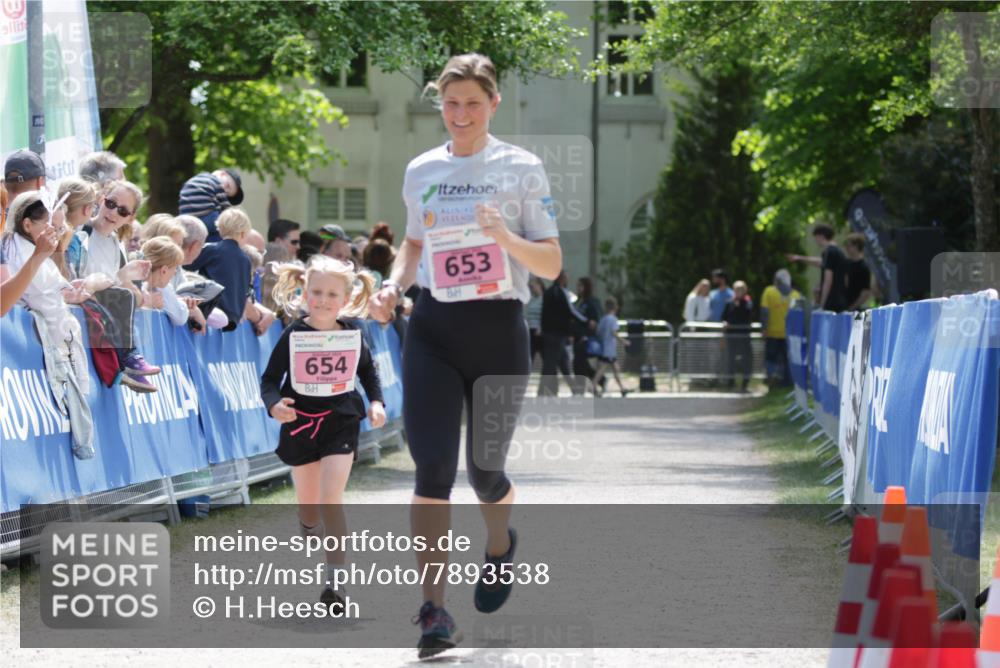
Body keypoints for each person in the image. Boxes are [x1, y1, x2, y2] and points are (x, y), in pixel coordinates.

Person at [366, 53, 562, 658]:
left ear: (493, 103)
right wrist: (393, 286)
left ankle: (500, 545)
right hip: (433, 328)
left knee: (484, 473)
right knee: (431, 470)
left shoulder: (521, 168)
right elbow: (413, 244)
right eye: (451, 103)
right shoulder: (422, 168)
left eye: (473, 103)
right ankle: (434, 611)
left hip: (499, 331)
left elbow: (552, 264)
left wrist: (505, 236)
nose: (461, 114)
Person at [260, 255, 386, 613]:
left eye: (332, 294)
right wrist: (274, 405)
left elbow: (369, 373)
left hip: (340, 420)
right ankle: (308, 522)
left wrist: (377, 403)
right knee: (311, 509)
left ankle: (335, 582)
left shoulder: (352, 333)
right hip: (300, 423)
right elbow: (269, 380)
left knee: (331, 499)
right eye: (316, 292)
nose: (323, 300)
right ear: (304, 293)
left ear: (345, 299)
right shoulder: (294, 334)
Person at [69, 180, 162, 393]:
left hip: (102, 313)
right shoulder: (81, 231)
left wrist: (126, 275)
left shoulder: (116, 244)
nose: (113, 213)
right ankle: (128, 358)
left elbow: (112, 283)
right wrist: (121, 277)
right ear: (101, 200)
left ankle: (128, 365)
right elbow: (76, 276)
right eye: (110, 204)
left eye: (122, 211)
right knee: (123, 297)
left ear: (130, 217)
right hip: (83, 305)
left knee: (124, 296)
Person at [787, 223, 849, 312]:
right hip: (840, 299)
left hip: (832, 301)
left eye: (816, 237)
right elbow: (820, 262)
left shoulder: (829, 252)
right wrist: (799, 258)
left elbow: (828, 280)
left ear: (821, 236)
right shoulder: (838, 252)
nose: (816, 241)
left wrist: (822, 304)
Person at [539, 271, 582, 396]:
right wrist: (585, 321)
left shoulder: (549, 292)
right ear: (562, 278)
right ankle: (542, 391)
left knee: (563, 363)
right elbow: (570, 311)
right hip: (557, 334)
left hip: (551, 333)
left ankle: (575, 389)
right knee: (550, 364)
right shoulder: (560, 292)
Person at [177, 168, 244, 242]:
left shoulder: (192, 180)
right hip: (206, 217)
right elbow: (225, 210)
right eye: (228, 186)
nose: (225, 191)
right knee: (223, 229)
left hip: (186, 218)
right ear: (223, 174)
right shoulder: (217, 183)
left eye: (227, 195)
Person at [760, 269, 801, 387]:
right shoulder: (796, 295)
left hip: (772, 333)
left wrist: (764, 328)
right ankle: (787, 382)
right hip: (788, 334)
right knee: (787, 359)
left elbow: (764, 312)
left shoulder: (769, 291)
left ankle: (771, 380)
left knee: (771, 358)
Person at [138, 236, 190, 326]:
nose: (174, 273)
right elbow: (181, 316)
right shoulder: (162, 290)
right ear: (164, 271)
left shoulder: (131, 279)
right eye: (175, 268)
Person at [592, 297, 630, 397]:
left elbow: (598, 332)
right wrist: (623, 341)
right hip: (609, 349)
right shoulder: (613, 319)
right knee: (602, 369)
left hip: (603, 347)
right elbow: (614, 332)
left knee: (615, 368)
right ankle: (593, 386)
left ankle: (622, 388)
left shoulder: (603, 319)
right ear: (615, 307)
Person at [722, 280, 754, 392]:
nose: (738, 291)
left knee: (746, 360)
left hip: (744, 336)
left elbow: (747, 316)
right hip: (731, 336)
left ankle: (745, 383)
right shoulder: (729, 302)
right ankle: (730, 382)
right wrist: (725, 322)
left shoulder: (748, 302)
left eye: (740, 289)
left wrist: (738, 305)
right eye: (736, 289)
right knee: (731, 359)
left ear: (745, 290)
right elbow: (724, 316)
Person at [571, 277, 602, 393]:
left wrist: (587, 334)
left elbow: (594, 322)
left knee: (579, 363)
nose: (578, 288)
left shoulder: (592, 302)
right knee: (580, 363)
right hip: (577, 337)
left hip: (585, 338)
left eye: (581, 286)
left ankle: (580, 389)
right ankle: (601, 380)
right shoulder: (578, 302)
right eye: (578, 285)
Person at [844, 233, 873, 311]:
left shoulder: (863, 267)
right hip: (842, 305)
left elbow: (865, 292)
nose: (846, 248)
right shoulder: (846, 263)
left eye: (849, 246)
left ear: (856, 246)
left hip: (854, 308)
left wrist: (852, 308)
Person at [525, 276, 544, 366]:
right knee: (529, 356)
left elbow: (545, 315)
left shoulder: (544, 298)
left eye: (532, 287)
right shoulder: (531, 300)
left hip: (540, 331)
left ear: (539, 285)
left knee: (545, 356)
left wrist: (541, 327)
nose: (531, 289)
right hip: (530, 330)